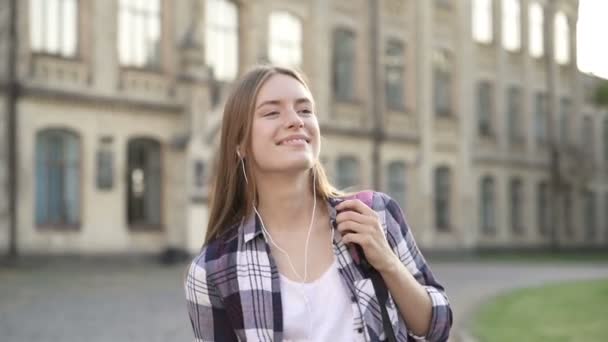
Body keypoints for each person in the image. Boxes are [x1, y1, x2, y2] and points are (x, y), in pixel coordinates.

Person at [184, 65, 452, 341]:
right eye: (272, 112)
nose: (296, 121)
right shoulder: (212, 270)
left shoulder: (375, 215)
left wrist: (387, 262)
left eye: (305, 110)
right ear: (239, 143)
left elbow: (437, 327)